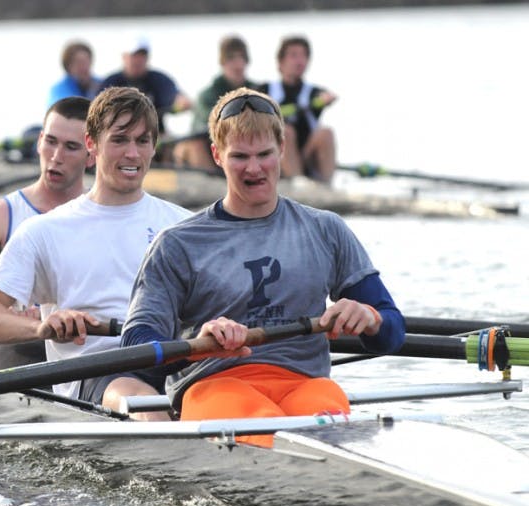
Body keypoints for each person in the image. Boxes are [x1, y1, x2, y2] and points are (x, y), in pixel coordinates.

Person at [121, 87, 405, 444]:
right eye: (239, 156)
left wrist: (371, 319)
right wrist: (200, 343)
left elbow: (393, 331)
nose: (254, 169)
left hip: (305, 383)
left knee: (332, 431)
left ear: (283, 148)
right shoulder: (177, 244)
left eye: (265, 154)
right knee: (269, 427)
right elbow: (136, 344)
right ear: (216, 156)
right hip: (215, 384)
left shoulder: (325, 229)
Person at [0, 87, 192, 420]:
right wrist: (42, 327)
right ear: (91, 146)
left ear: (154, 147)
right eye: (119, 140)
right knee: (143, 401)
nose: (132, 153)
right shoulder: (46, 231)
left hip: (177, 360)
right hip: (100, 371)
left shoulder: (184, 224)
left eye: (142, 141)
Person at [0, 96, 93, 369]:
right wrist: (8, 315)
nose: (56, 157)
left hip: (85, 347)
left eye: (71, 147)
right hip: (18, 348)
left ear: (92, 155)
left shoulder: (102, 218)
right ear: (38, 142)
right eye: (50, 142)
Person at [256, 35, 338, 183]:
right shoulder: (265, 90)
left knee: (326, 133)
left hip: (306, 154)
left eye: (304, 56)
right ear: (280, 62)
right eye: (293, 55)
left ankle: (327, 184)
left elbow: (328, 96)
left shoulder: (313, 92)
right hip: (275, 156)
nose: (300, 61)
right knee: (286, 131)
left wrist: (328, 99)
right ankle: (297, 181)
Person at [173, 35, 256, 172]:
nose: (237, 64)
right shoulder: (207, 96)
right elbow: (210, 126)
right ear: (223, 62)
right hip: (210, 145)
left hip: (245, 144)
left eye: (241, 58)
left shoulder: (257, 90)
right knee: (193, 145)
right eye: (231, 59)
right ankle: (216, 185)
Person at [98, 37, 191, 144]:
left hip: (156, 136)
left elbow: (177, 98)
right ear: (124, 57)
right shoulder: (111, 82)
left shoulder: (159, 79)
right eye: (134, 56)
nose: (138, 60)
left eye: (142, 56)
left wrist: (181, 102)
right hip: (119, 136)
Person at [47, 41, 100, 107]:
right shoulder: (58, 89)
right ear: (68, 65)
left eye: (86, 61)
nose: (83, 66)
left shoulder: (101, 83)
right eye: (78, 62)